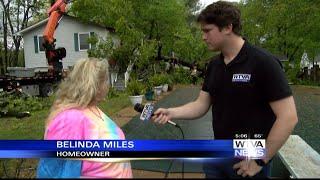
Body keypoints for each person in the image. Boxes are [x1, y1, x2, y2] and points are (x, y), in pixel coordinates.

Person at [152, 1, 298, 178]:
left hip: (250, 154)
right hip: (218, 151)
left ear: (228, 27)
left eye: (207, 31)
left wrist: (260, 160)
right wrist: (171, 112)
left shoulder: (263, 63)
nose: (203, 37)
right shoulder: (214, 65)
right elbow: (201, 104)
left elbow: (288, 117)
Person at [37, 58, 132, 178]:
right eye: (106, 80)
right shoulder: (69, 120)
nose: (108, 85)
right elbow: (52, 172)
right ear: (96, 85)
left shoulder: (93, 109)